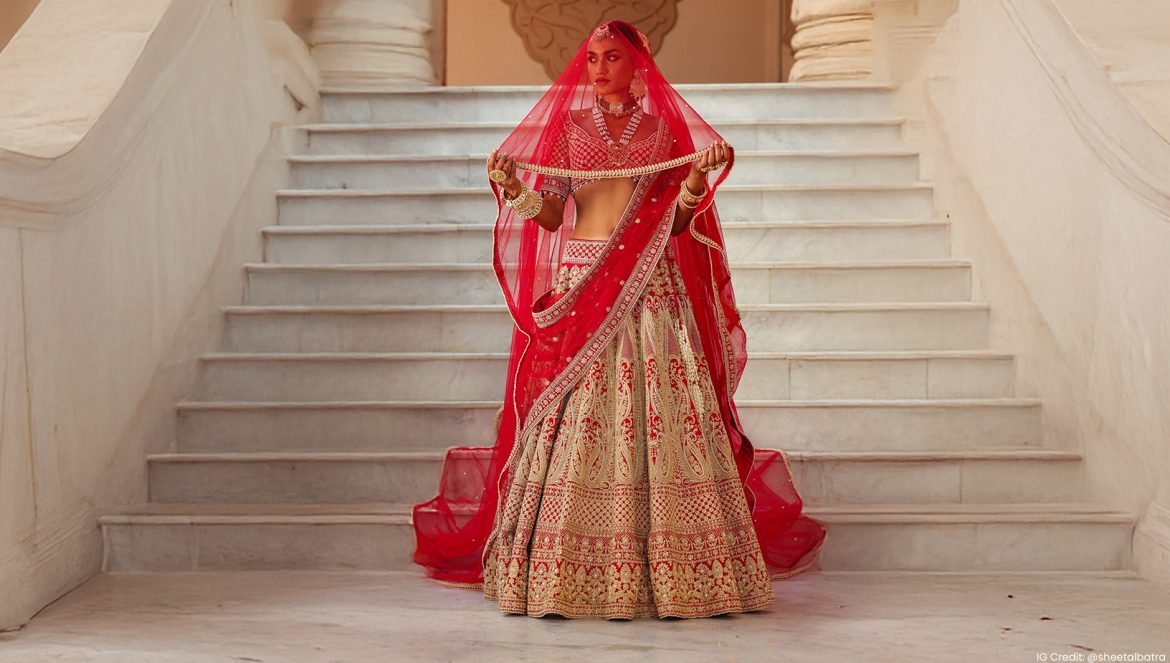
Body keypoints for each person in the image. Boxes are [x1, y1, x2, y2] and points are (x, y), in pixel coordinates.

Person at [412, 19, 826, 620]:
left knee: (659, 411)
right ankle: (562, 570)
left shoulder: (664, 134)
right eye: (592, 59)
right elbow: (551, 215)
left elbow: (676, 226)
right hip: (583, 278)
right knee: (574, 412)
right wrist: (513, 187)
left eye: (612, 57)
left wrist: (695, 180)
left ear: (639, 64)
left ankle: (678, 573)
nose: (600, 69)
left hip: (650, 282)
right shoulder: (569, 130)